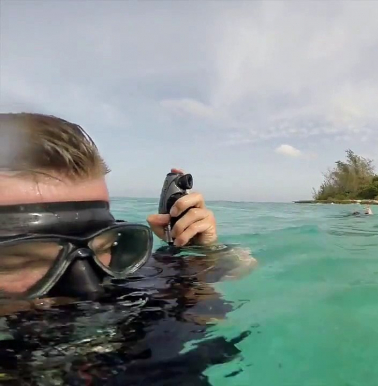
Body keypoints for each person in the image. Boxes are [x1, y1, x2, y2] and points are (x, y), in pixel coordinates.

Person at [0, 112, 257, 383]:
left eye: (102, 245)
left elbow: (238, 269)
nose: (89, 289)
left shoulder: (126, 276)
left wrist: (200, 255)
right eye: (21, 261)